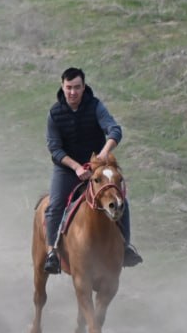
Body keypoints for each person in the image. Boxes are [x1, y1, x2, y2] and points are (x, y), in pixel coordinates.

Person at [41, 67, 142, 275]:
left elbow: (114, 130)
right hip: (68, 169)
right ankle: (52, 252)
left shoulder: (95, 106)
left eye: (77, 87)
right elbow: (55, 148)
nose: (73, 92)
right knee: (55, 204)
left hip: (99, 166)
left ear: (83, 87)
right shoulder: (54, 114)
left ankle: (125, 247)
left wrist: (104, 154)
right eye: (69, 88)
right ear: (62, 87)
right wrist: (77, 167)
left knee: (120, 200)